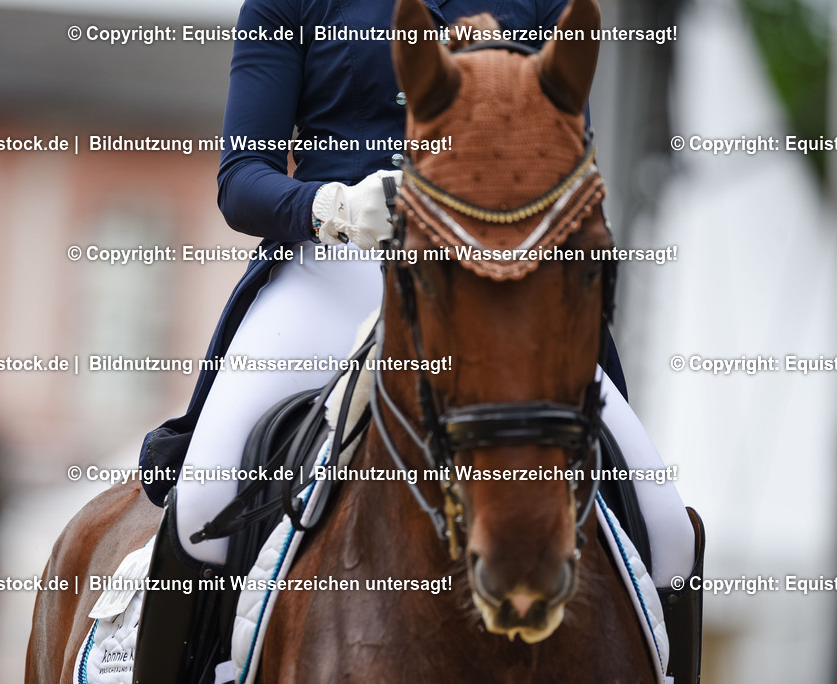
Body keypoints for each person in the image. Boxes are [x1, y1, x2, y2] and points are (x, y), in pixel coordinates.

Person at [133, 1, 697, 682]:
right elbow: (241, 178)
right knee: (201, 503)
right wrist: (332, 206)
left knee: (668, 532)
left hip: (492, 289)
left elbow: (569, 166)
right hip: (334, 266)